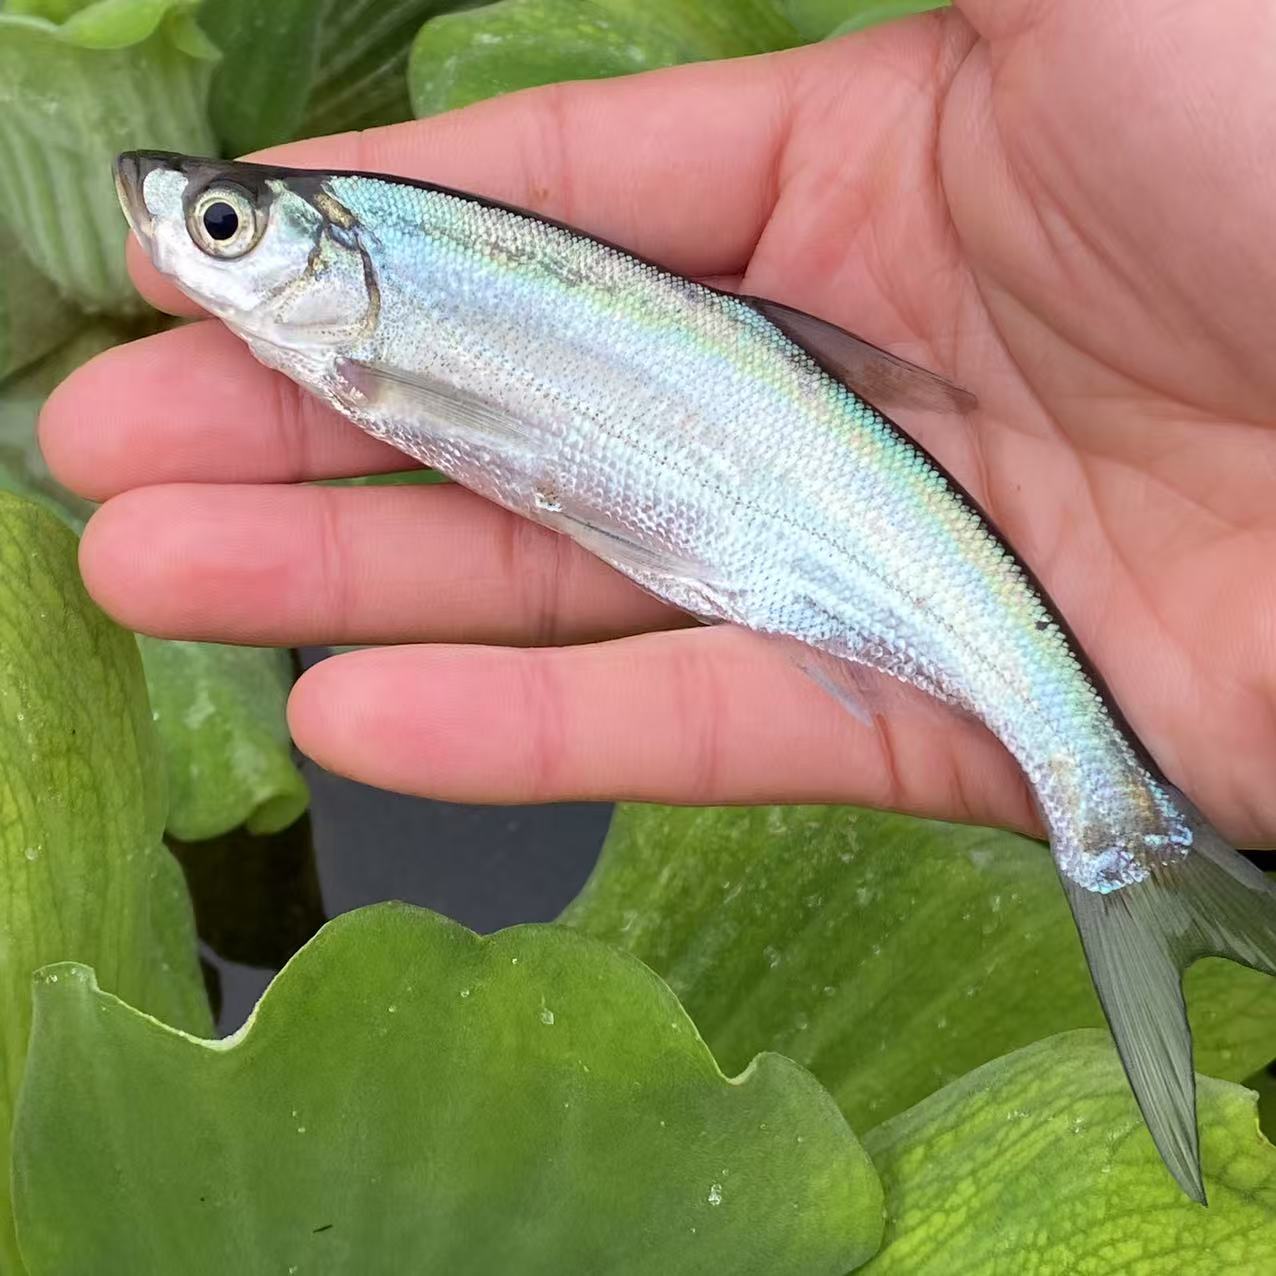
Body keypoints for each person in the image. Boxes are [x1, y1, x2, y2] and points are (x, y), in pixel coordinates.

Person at [40, 0, 1276, 850]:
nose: (185, 230)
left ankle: (1112, 814)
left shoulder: (367, 339)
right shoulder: (354, 335)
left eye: (222, 228)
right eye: (221, 224)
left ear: (331, 265)